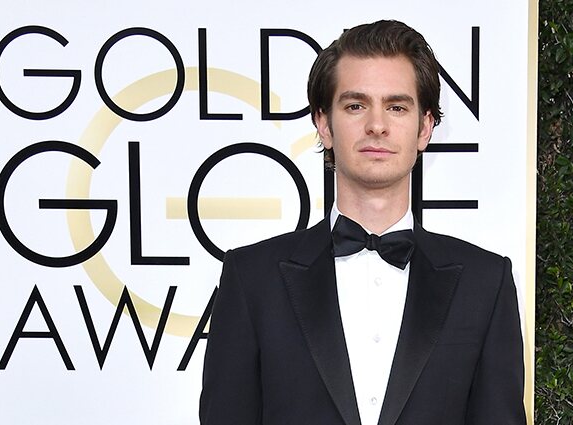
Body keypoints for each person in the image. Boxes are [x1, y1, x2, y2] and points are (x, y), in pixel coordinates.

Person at [200, 20, 525, 425]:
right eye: (355, 105)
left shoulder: (485, 283)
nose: (377, 124)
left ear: (424, 127)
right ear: (324, 123)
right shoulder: (251, 279)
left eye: (396, 106)